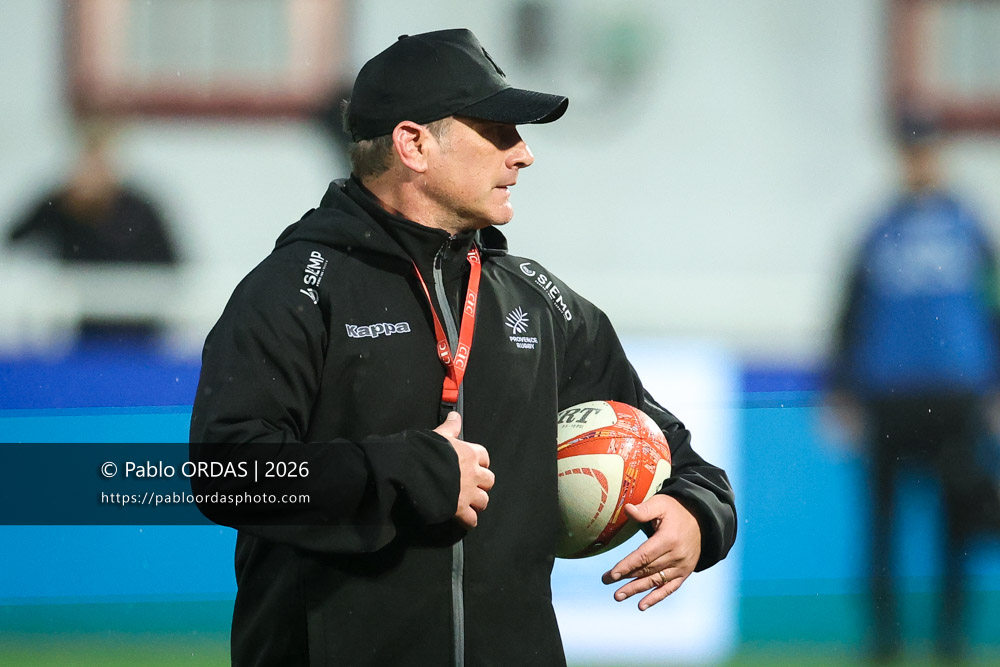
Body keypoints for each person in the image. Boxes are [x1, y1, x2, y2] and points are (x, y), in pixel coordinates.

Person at [190, 29, 736, 667]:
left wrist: (696, 514)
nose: (524, 154)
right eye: (498, 131)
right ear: (413, 143)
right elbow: (228, 475)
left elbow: (678, 453)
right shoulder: (295, 290)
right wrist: (402, 476)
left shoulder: (541, 303)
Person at [830, 111, 1000, 663]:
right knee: (881, 527)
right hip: (889, 397)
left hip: (956, 396)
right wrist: (841, 389)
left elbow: (993, 310)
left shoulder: (970, 228)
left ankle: (952, 639)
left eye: (927, 150)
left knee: (958, 522)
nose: (919, 161)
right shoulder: (877, 229)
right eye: (911, 151)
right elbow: (849, 313)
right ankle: (885, 641)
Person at [5, 118, 179, 340]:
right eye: (90, 161)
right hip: (84, 330)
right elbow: (15, 237)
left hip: (140, 332)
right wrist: (63, 201)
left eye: (102, 162)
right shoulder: (61, 207)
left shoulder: (141, 210)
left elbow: (173, 266)